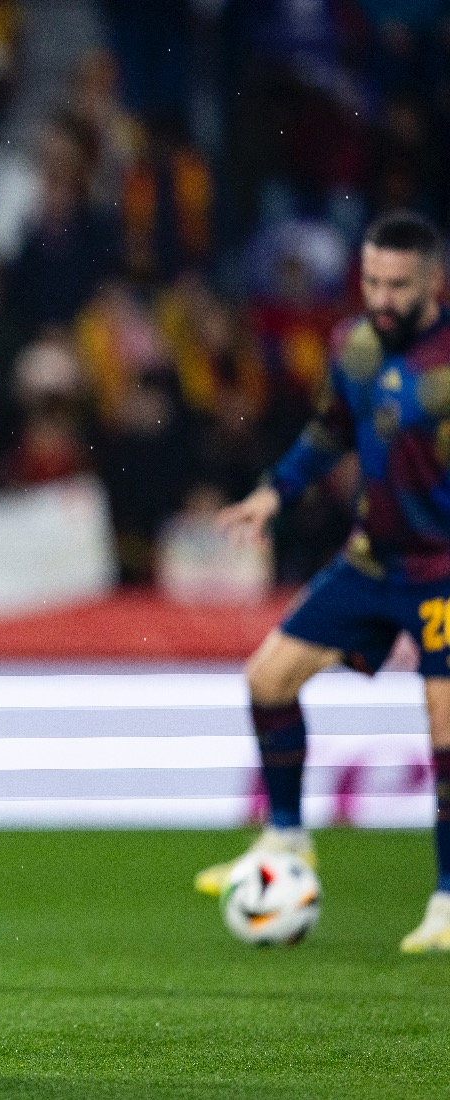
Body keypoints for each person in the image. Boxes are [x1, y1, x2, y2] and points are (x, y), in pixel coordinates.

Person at [199, 210, 450, 953]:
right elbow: (331, 429)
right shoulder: (355, 346)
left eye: (397, 284)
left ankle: (446, 899)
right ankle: (286, 839)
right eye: (371, 279)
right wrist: (275, 493)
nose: (381, 295)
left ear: (434, 282)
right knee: (268, 679)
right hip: (372, 560)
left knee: (445, 731)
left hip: (443, 572)